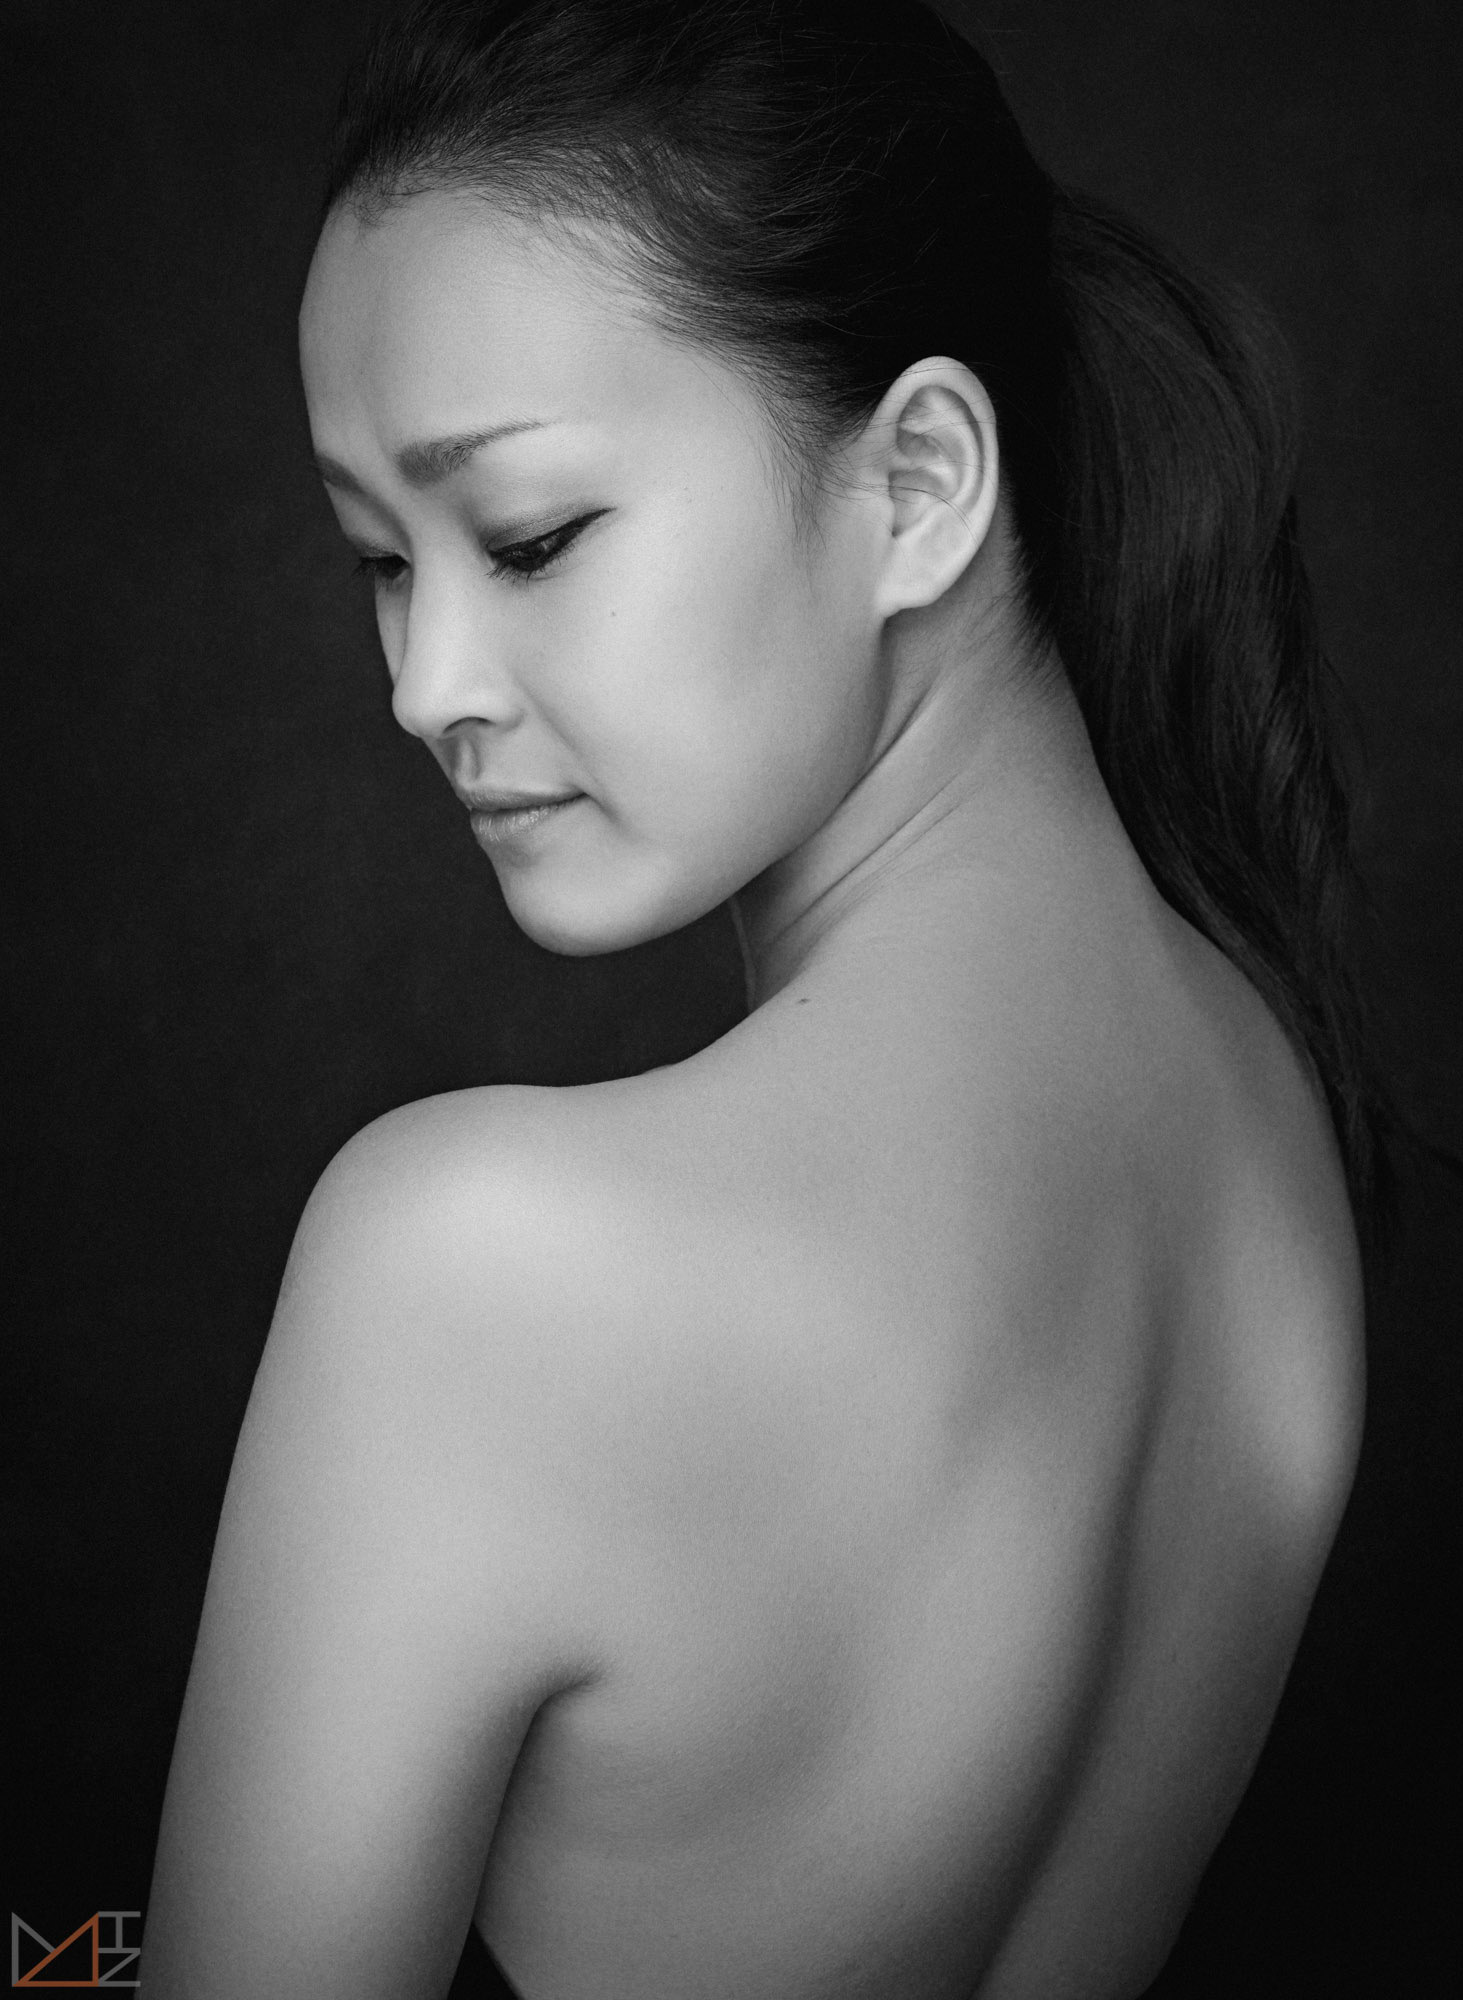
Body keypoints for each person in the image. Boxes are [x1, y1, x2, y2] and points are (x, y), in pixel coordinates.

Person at [140, 2, 1380, 1994]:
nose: (425, 683)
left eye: (530, 535)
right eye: (382, 557)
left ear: (919, 484)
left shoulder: (472, 1272)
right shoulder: (1264, 1110)